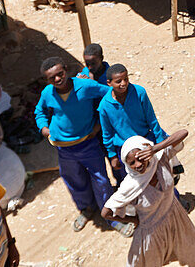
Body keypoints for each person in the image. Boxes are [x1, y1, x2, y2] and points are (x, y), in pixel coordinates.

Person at [34, 57, 131, 235]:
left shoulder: (84, 86)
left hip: (88, 144)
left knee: (101, 181)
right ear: (46, 80)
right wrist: (44, 129)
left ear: (66, 70)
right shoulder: (48, 92)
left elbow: (109, 94)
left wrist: (99, 125)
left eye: (60, 74)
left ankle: (111, 217)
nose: (57, 79)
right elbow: (39, 111)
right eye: (52, 78)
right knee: (73, 180)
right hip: (63, 149)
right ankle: (86, 208)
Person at [102, 130, 195, 267]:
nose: (137, 165)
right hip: (151, 232)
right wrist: (133, 220)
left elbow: (183, 133)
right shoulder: (130, 185)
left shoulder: (160, 160)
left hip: (175, 217)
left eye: (140, 158)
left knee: (191, 252)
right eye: (132, 163)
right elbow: (106, 213)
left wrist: (156, 148)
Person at [99, 64, 170, 184]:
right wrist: (112, 155)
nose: (123, 83)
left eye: (126, 79)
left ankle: (173, 201)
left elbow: (151, 119)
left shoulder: (139, 92)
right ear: (109, 83)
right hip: (124, 150)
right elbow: (107, 133)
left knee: (161, 176)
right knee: (135, 183)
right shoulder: (104, 106)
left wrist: (159, 143)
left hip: (145, 143)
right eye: (118, 81)